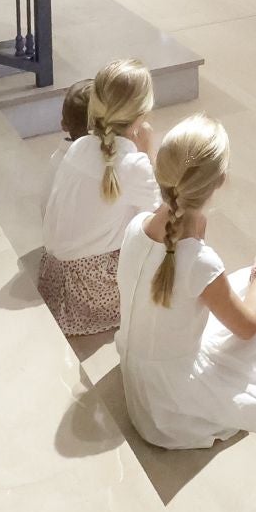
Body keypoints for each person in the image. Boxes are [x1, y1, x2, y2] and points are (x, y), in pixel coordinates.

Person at [115, 115, 256, 465]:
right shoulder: (198, 261)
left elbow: (184, 283)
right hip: (175, 413)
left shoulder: (136, 227)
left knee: (241, 286)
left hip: (142, 395)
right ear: (220, 181)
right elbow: (248, 325)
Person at [39, 60, 160, 336]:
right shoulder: (133, 164)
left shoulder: (80, 144)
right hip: (92, 289)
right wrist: (147, 152)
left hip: (56, 276)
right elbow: (163, 218)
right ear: (142, 113)